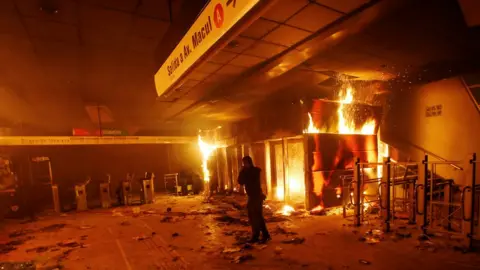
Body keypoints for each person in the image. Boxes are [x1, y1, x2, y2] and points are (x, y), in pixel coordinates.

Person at [238, 156, 270, 243]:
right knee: (257, 216)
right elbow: (240, 181)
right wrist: (242, 171)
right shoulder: (245, 172)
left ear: (250, 162)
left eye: (246, 163)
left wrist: (244, 172)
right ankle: (265, 234)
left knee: (255, 217)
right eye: (243, 163)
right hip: (251, 196)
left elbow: (250, 179)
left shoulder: (255, 171)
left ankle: (256, 235)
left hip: (256, 196)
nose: (245, 165)